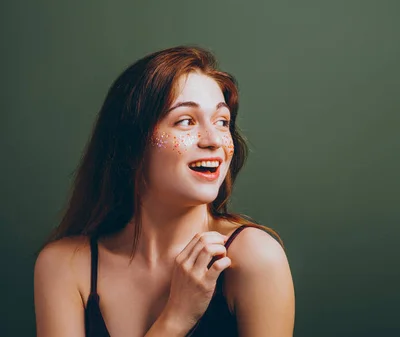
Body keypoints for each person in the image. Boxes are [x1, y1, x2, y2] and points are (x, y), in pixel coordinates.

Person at [33, 46, 295, 337]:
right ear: (132, 144)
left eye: (222, 122)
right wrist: (176, 317)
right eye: (186, 121)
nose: (214, 141)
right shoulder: (64, 266)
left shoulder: (254, 258)